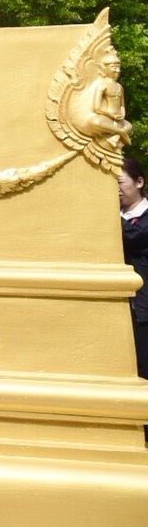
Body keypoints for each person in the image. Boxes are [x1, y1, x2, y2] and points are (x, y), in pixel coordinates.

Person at [121, 156, 148, 383]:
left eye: (119, 182)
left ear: (139, 182)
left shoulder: (144, 220)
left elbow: (133, 237)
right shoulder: (118, 217)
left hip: (144, 310)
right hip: (122, 308)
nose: (115, 190)